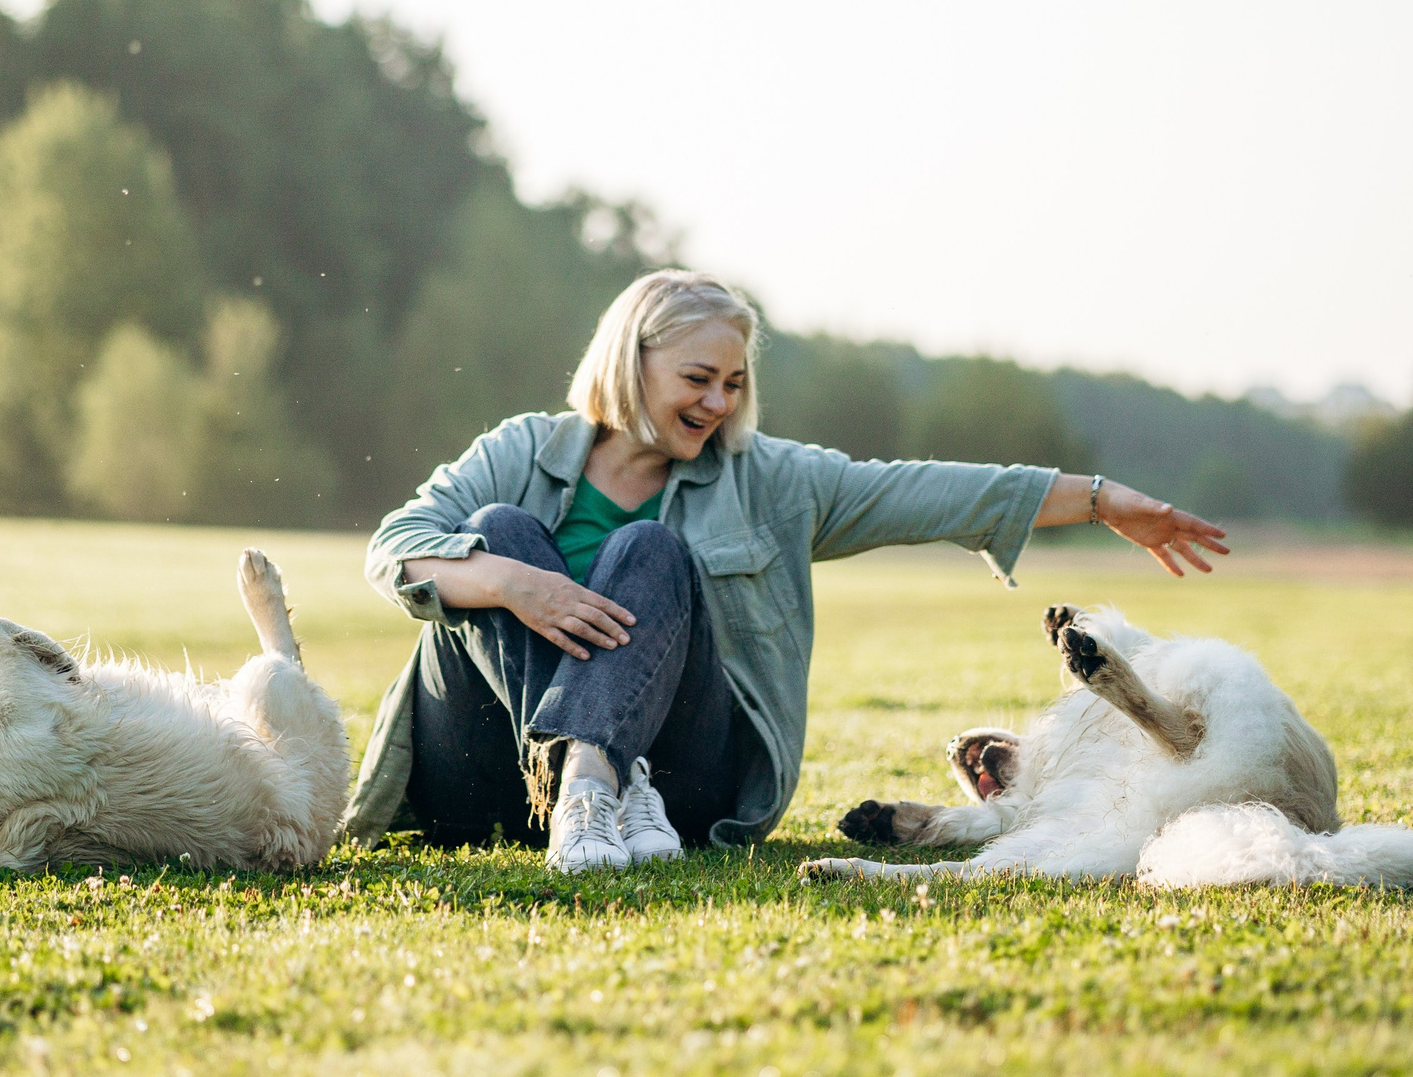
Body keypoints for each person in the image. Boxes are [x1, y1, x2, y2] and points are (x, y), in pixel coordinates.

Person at [344, 270, 1230, 874]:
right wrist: (508, 582)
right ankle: (586, 782)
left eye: (733, 382)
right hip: (486, 780)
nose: (717, 403)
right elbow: (397, 545)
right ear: (631, 361)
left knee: (650, 553)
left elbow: (925, 491)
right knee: (494, 533)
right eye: (698, 377)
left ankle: (599, 782)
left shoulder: (765, 482)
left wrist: (1104, 499)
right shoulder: (522, 451)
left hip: (675, 794)